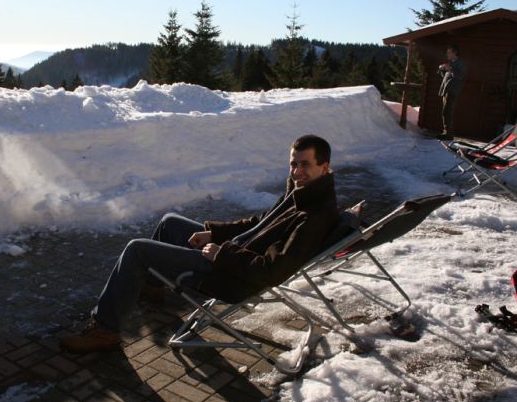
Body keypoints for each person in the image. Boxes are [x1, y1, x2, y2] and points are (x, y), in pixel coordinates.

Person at [60, 134, 340, 353]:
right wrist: (213, 233)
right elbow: (258, 223)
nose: (296, 171)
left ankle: (105, 330)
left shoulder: (314, 214)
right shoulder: (300, 193)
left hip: (231, 275)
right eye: (293, 163)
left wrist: (221, 254)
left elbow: (274, 270)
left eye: (305, 164)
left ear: (324, 166)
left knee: (137, 249)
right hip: (231, 253)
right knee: (170, 222)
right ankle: (152, 287)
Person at [437, 44, 466, 140]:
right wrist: (442, 69)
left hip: (452, 90)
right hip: (446, 90)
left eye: (449, 52)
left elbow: (460, 76)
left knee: (447, 111)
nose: (447, 54)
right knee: (445, 111)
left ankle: (448, 134)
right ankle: (446, 132)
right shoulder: (451, 63)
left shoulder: (460, 63)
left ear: (455, 53)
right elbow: (446, 76)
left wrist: (450, 69)